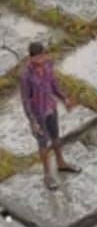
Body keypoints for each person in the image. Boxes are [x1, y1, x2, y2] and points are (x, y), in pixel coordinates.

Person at [19, 41, 80, 191]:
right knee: (43, 144)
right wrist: (32, 121)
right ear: (31, 58)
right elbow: (26, 100)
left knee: (56, 138)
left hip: (51, 108)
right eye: (37, 58)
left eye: (42, 56)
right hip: (38, 113)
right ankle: (47, 175)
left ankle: (61, 163)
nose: (41, 60)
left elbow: (53, 84)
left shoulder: (48, 65)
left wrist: (64, 98)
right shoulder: (25, 76)